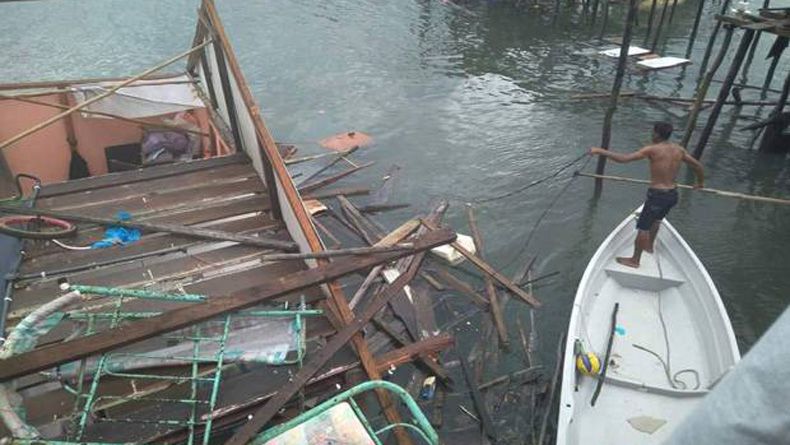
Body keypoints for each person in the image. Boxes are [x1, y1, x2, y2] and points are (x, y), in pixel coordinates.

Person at [589, 122, 705, 268]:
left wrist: (600, 151)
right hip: (672, 195)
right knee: (657, 220)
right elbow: (698, 166)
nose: (651, 134)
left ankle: (635, 260)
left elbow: (624, 159)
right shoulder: (679, 149)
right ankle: (649, 246)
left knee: (643, 227)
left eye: (653, 132)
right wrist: (700, 183)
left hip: (658, 195)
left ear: (656, 134)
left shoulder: (652, 149)